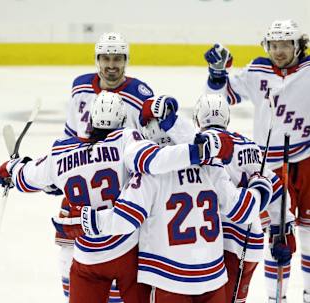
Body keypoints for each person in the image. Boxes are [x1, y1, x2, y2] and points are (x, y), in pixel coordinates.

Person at [0, 92, 233, 303]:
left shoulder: (60, 153)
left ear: (90, 121)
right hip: (126, 252)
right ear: (121, 120)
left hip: (87, 257)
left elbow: (28, 177)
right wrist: (199, 151)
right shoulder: (126, 140)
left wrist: (12, 169)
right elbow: (154, 162)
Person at [203, 20, 310, 303]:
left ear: (297, 45)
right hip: (272, 166)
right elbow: (224, 95)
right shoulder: (257, 70)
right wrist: (217, 73)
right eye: (273, 45)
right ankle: (274, 300)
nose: (278, 51)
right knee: (277, 239)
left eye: (285, 45)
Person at [68, 112, 276, 303]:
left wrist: (88, 220)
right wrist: (260, 186)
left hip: (167, 278)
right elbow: (244, 211)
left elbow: (123, 221)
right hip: (212, 278)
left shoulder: (149, 175)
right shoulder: (210, 166)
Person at [59, 32, 155, 302]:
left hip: (122, 192)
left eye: (117, 59)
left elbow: (150, 145)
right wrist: (61, 173)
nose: (111, 65)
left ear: (126, 61)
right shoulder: (80, 88)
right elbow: (69, 134)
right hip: (80, 182)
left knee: (120, 254)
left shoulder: (140, 95)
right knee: (69, 253)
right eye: (105, 59)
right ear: (97, 60)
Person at [193, 93, 295, 303]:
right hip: (247, 241)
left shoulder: (192, 148)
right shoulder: (249, 147)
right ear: (227, 119)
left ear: (196, 119)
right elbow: (275, 188)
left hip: (206, 242)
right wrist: (283, 231)